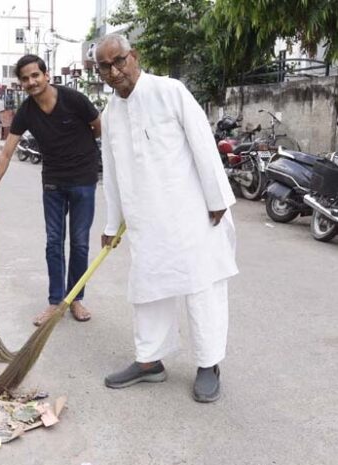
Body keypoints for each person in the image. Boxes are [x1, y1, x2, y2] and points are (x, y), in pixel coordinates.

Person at [96, 33, 237, 402]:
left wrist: (216, 198)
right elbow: (111, 175)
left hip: (191, 212)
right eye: (105, 67)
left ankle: (208, 364)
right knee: (148, 289)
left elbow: (203, 144)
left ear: (134, 56)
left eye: (119, 61)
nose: (114, 71)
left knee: (201, 286)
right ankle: (149, 362)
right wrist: (112, 225)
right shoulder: (110, 115)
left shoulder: (170, 91)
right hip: (145, 221)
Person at [0, 54, 102, 327]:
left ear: (46, 75)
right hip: (54, 182)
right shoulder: (26, 112)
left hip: (83, 179)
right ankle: (55, 301)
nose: (31, 81)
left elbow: (98, 126)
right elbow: (6, 154)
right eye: (25, 78)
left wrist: (83, 152)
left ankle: (76, 298)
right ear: (21, 83)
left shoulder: (74, 99)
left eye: (35, 75)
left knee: (80, 242)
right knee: (53, 243)